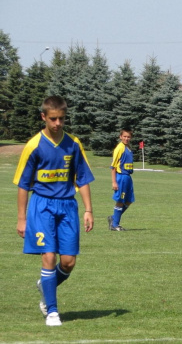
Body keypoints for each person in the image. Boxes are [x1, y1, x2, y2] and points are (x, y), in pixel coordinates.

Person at [13, 96, 95, 326]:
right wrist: (21, 219)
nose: (58, 123)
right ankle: (52, 311)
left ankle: (45, 285)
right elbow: (22, 185)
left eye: (61, 118)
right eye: (53, 119)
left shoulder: (73, 144)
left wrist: (88, 210)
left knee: (68, 262)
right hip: (42, 206)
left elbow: (83, 179)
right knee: (48, 256)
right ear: (44, 117)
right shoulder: (34, 146)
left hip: (68, 206)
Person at [108, 128, 134, 231]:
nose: (126, 138)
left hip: (128, 177)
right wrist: (114, 181)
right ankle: (115, 225)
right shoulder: (119, 148)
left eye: (128, 137)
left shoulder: (128, 147)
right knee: (120, 200)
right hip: (121, 177)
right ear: (120, 136)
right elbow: (113, 166)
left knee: (129, 201)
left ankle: (113, 218)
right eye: (124, 136)